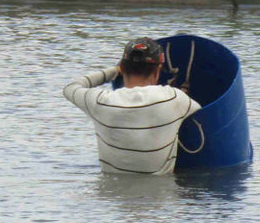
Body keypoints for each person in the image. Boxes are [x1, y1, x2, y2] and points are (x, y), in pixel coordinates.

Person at [64, 37, 201, 175]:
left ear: (122, 68)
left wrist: (113, 71)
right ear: (158, 70)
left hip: (111, 194)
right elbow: (202, 111)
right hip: (160, 193)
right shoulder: (173, 98)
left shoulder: (101, 101)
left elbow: (70, 88)